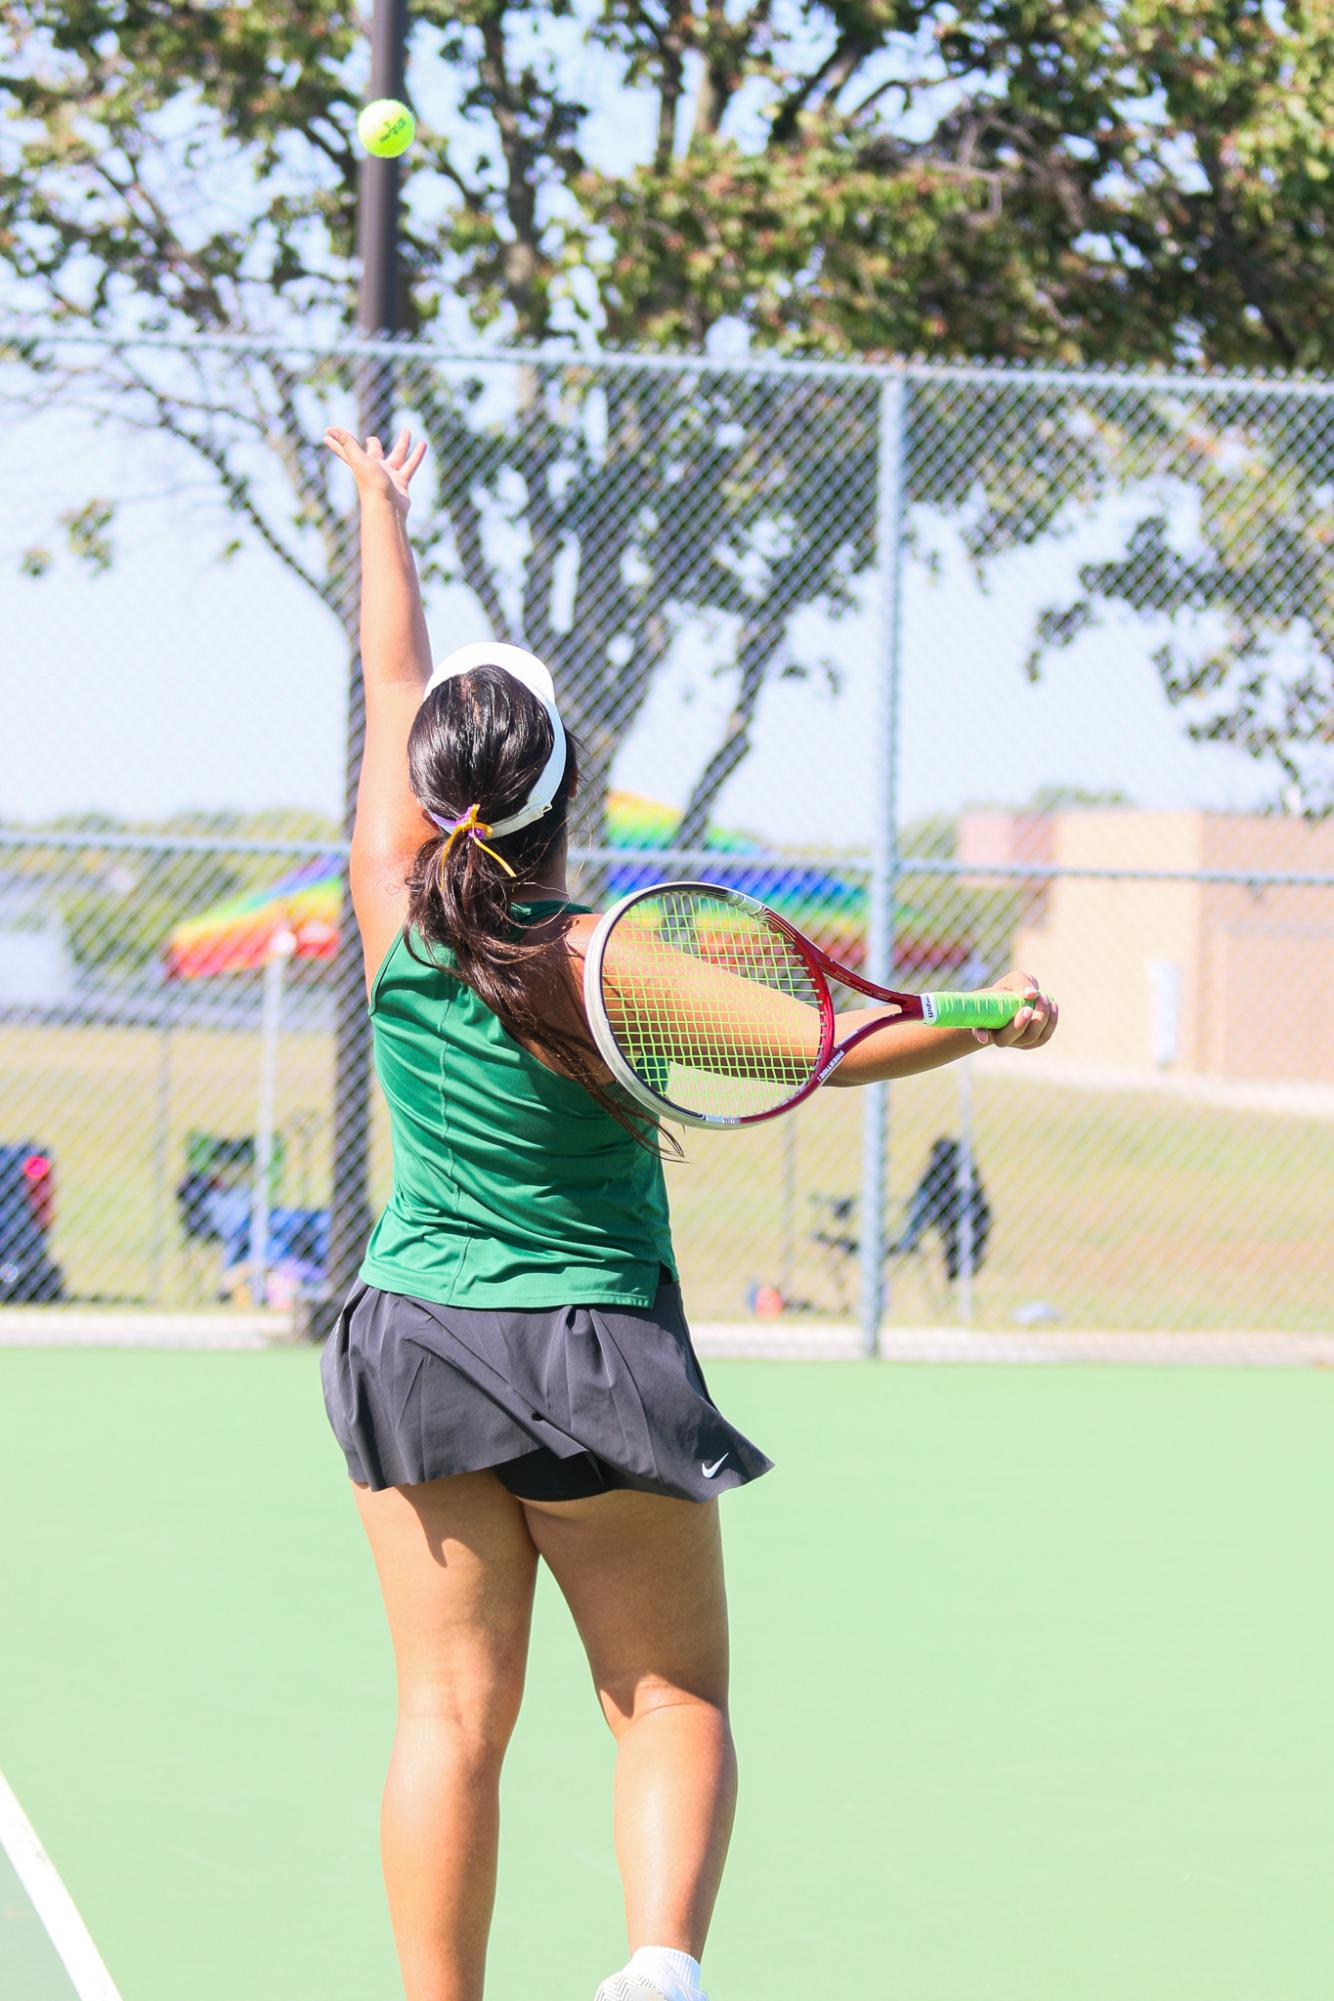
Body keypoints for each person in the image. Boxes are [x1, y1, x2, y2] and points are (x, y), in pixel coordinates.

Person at [316, 423, 1060, 2001]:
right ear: (559, 794)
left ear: (430, 789)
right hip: (592, 1353)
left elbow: (394, 685)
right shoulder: (612, 961)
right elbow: (836, 1046)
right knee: (668, 1695)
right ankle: (656, 1972)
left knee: (446, 1717)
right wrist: (993, 1013)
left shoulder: (388, 892)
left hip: (416, 1341)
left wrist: (379, 505)